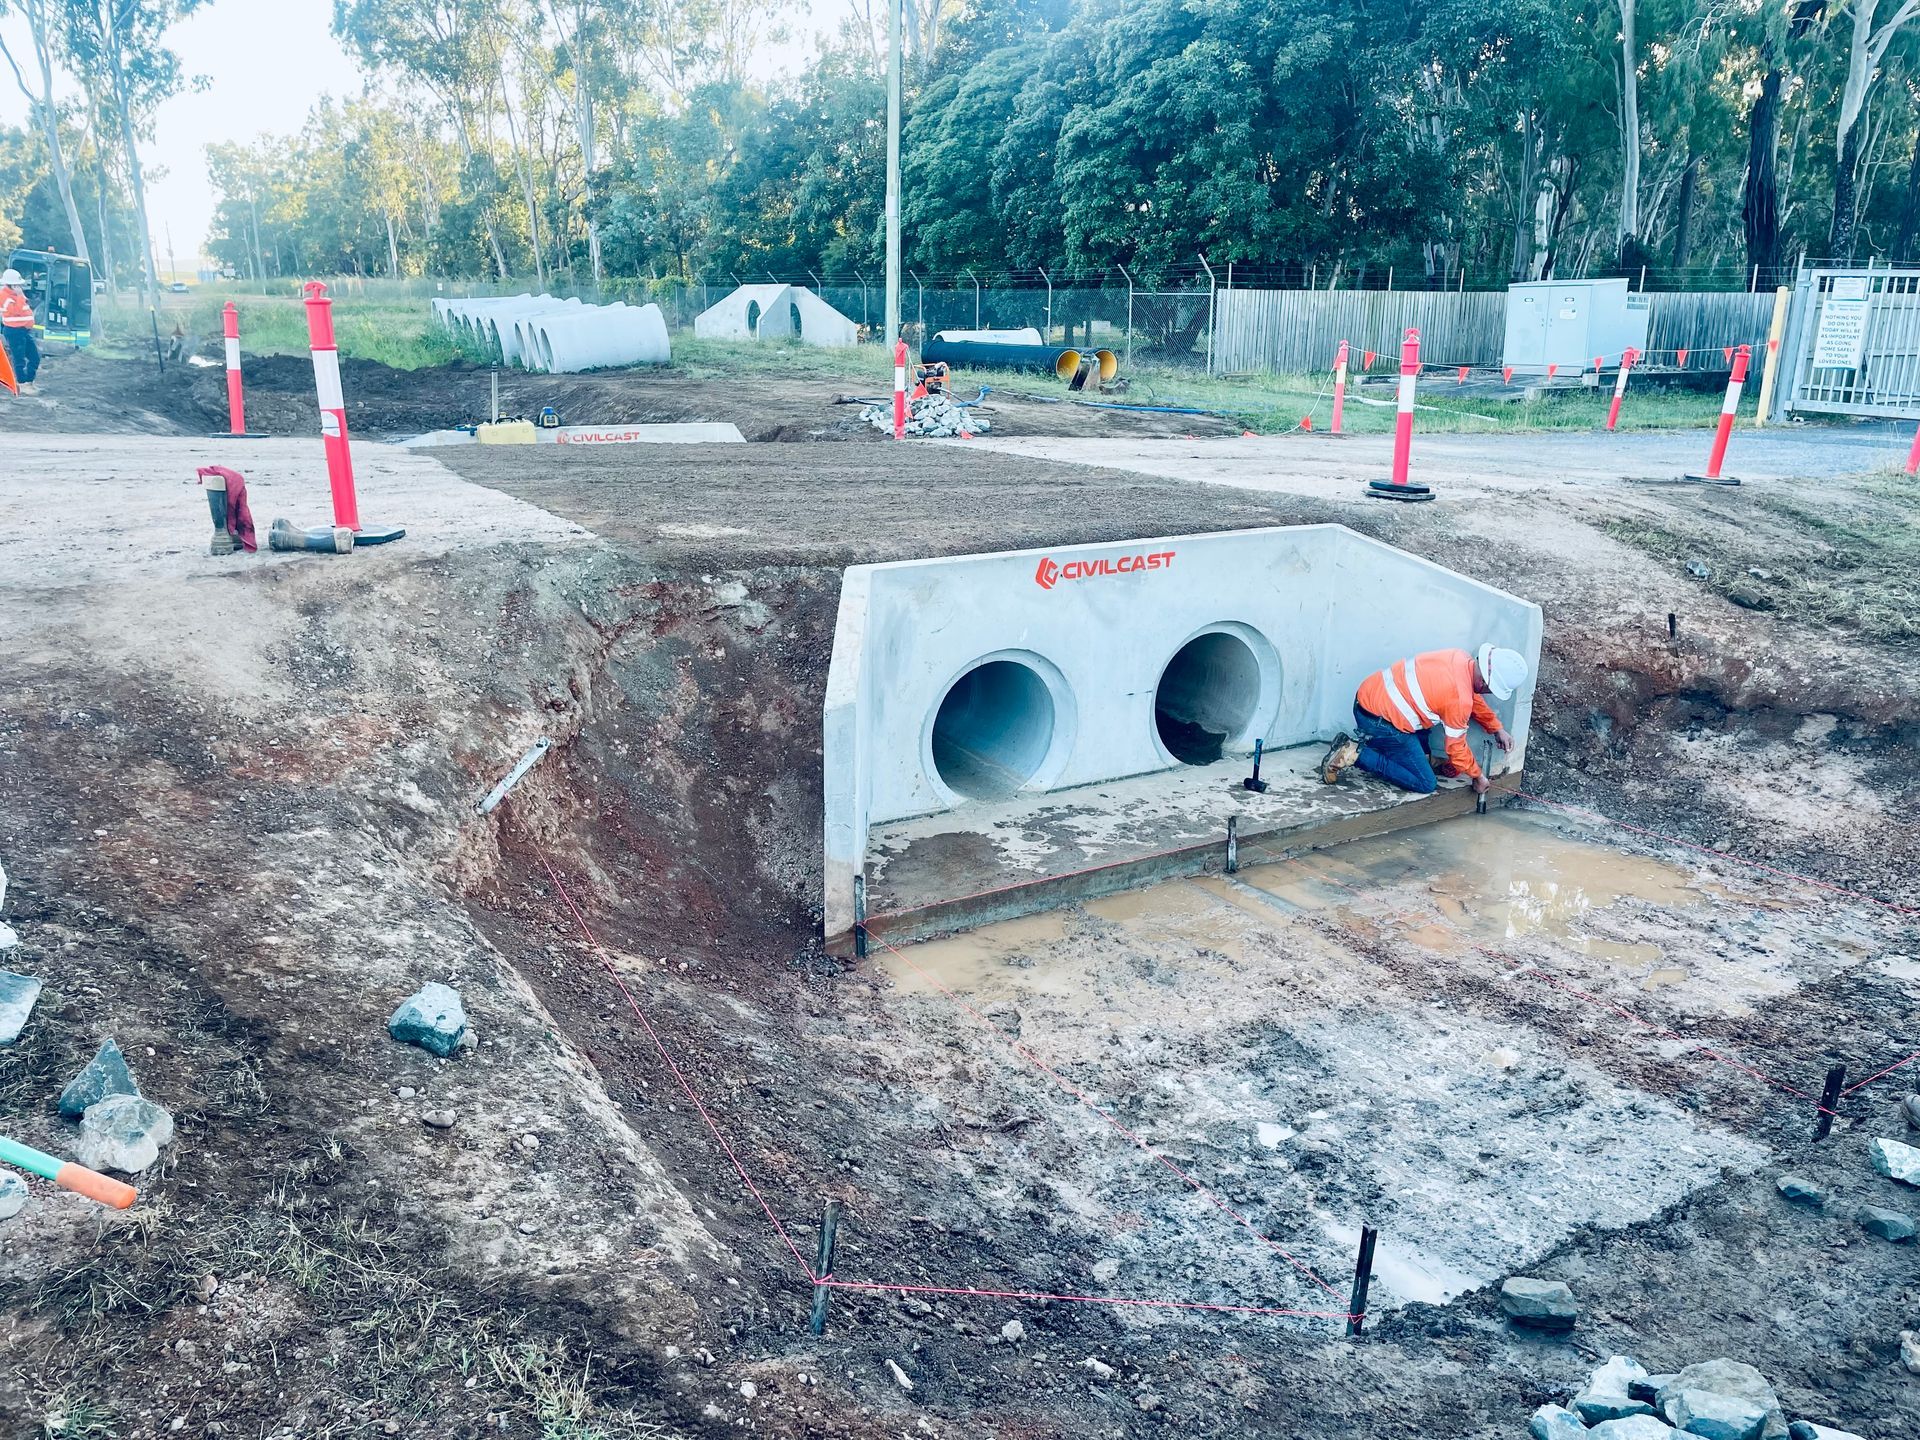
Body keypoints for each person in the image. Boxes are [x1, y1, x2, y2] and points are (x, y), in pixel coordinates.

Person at [1321, 643, 1529, 796]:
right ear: (1484, 681)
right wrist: (1477, 776)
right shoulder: (1459, 699)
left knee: (1427, 724)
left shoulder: (1458, 658)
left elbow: (1470, 697)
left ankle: (1420, 758)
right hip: (1379, 723)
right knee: (1425, 782)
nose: (1489, 693)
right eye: (1491, 689)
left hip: (1368, 698)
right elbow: (1456, 750)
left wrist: (1496, 728)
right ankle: (1353, 754)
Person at [0, 269, 40, 394]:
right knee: (19, 359)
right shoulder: (5, 296)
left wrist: (20, 296)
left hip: (24, 331)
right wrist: (20, 296)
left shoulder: (16, 295)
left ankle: (29, 381)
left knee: (35, 357)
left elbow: (23, 310)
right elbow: (16, 310)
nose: (20, 287)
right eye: (18, 285)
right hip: (14, 331)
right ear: (11, 284)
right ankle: (22, 384)